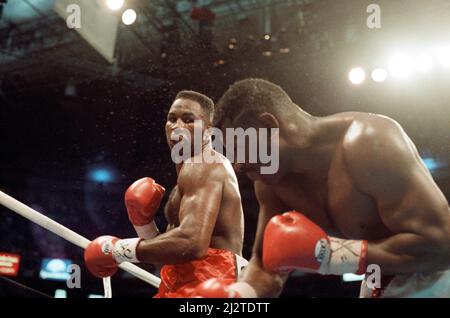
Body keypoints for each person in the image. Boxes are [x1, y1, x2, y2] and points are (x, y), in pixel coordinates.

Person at [196, 78, 450, 298]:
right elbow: (267, 265)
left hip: (440, 277)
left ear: (268, 126)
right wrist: (238, 294)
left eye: (240, 147)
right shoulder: (271, 182)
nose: (238, 165)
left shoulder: (368, 142)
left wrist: (329, 255)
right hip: (378, 282)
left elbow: (442, 247)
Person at [84, 91, 249, 298]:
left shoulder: (206, 163)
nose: (177, 125)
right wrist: (143, 223)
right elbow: (173, 254)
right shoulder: (188, 171)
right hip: (182, 278)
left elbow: (192, 243)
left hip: (214, 280)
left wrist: (117, 250)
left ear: (208, 132)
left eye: (188, 119)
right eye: (172, 118)